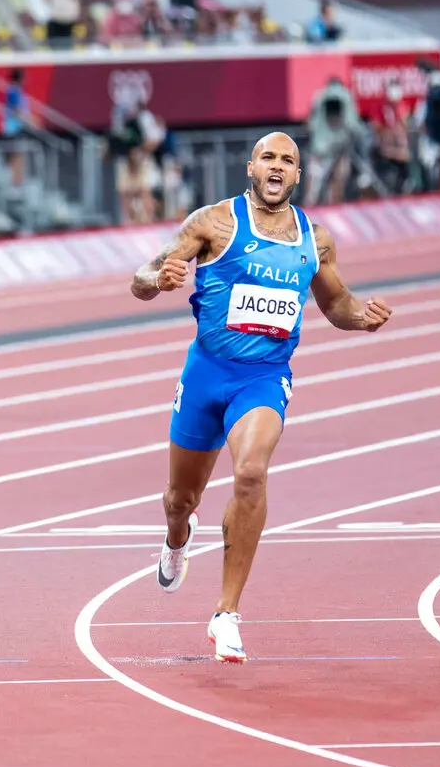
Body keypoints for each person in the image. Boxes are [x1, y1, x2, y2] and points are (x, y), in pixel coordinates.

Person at [132, 133, 393, 662]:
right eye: (269, 158)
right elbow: (140, 278)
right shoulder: (213, 223)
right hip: (207, 374)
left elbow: (336, 301)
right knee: (179, 499)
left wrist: (360, 318)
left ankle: (227, 614)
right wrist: (160, 278)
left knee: (251, 473)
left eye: (288, 161)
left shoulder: (314, 239)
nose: (277, 167)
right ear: (251, 167)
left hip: (264, 379)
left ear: (298, 175)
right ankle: (177, 537)